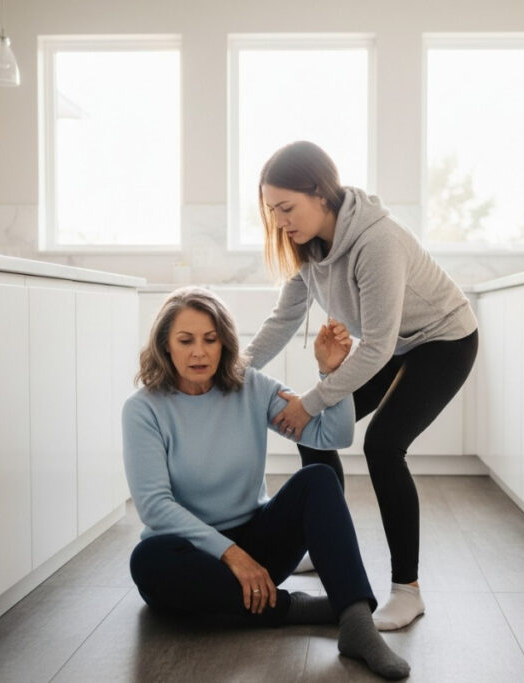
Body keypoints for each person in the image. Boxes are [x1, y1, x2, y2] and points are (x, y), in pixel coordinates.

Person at [246, 141, 479, 631]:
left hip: (444, 340)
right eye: (272, 211)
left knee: (383, 445)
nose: (281, 221)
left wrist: (310, 402)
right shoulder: (308, 250)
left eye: (287, 208)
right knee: (314, 430)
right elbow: (283, 320)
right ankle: (320, 543)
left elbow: (374, 346)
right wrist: (237, 367)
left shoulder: (378, 243)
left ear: (321, 194)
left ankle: (406, 590)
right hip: (393, 347)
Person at [123, 287, 410, 680]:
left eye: (211, 340)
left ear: (225, 343)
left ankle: (356, 622)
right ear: (164, 345)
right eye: (185, 341)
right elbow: (155, 506)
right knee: (148, 562)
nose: (199, 353)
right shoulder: (143, 409)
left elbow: (332, 437)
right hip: (192, 551)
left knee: (318, 479)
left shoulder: (251, 387)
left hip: (260, 548)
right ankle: (296, 607)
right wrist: (231, 555)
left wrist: (333, 374)